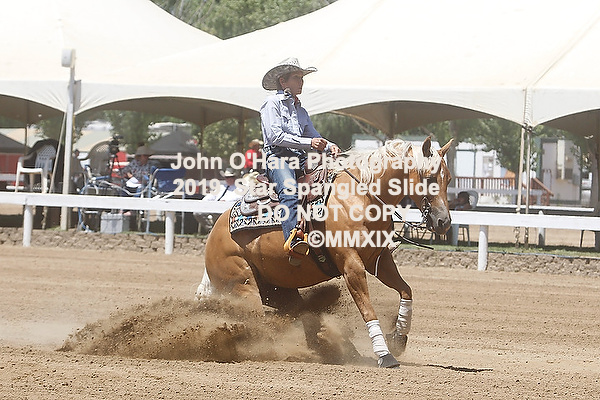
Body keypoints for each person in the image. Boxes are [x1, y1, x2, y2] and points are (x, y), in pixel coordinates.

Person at [260, 57, 341, 262]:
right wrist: (309, 143)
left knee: (332, 181)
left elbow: (314, 135)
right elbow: (275, 137)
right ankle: (294, 242)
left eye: (302, 78)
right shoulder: (272, 104)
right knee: (289, 191)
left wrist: (330, 145)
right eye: (296, 78)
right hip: (278, 157)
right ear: (283, 81)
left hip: (299, 158)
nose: (301, 82)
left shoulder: (301, 111)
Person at [194, 167, 243, 233]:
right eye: (226, 177)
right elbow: (211, 196)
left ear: (234, 178)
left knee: (216, 214)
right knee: (198, 213)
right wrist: (203, 202)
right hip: (215, 206)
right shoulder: (221, 187)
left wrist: (226, 201)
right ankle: (211, 230)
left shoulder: (239, 188)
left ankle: (216, 231)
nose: (228, 179)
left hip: (227, 209)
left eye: (230, 177)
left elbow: (239, 198)